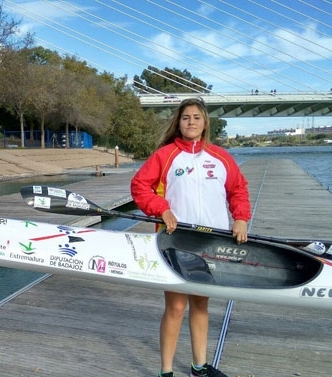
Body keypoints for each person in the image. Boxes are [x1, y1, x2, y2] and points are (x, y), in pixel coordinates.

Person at [130, 97, 251, 377]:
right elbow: (140, 186)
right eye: (186, 117)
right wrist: (162, 209)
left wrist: (241, 218)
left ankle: (199, 368)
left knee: (200, 303)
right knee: (175, 306)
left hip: (212, 243)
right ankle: (166, 371)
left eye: (197, 117)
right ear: (179, 122)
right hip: (175, 240)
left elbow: (238, 190)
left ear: (205, 122)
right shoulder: (165, 155)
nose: (191, 122)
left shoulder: (221, 157)